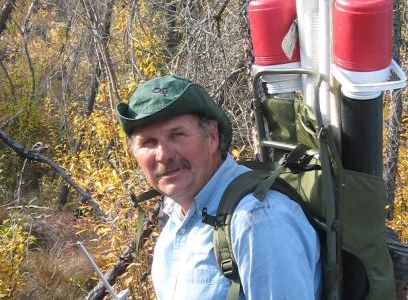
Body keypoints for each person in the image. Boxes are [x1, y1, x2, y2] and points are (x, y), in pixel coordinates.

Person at [117, 76, 321, 300]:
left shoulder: (257, 219)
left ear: (213, 137)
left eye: (177, 135)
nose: (163, 155)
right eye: (148, 142)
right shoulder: (176, 221)